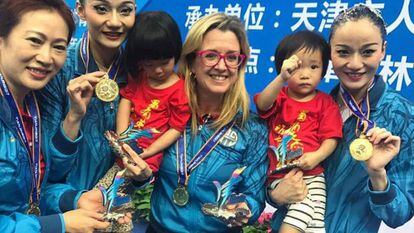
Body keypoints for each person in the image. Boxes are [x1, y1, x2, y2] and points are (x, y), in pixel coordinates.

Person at [268, 4, 413, 233]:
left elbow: (399, 215)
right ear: (330, 53)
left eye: (367, 52)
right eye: (343, 52)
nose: (355, 64)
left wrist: (377, 174)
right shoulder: (312, 106)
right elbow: (274, 167)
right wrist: (275, 194)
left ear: (383, 50)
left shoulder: (402, 117)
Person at [147, 13, 269, 233]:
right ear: (192, 61)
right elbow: (142, 169)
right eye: (211, 55)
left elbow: (255, 197)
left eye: (232, 57)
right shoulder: (164, 111)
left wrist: (244, 208)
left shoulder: (252, 129)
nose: (222, 66)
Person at [0, 0, 114, 232]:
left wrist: (73, 199)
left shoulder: (32, 102)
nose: (46, 57)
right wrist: (56, 224)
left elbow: (35, 187)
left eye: (59, 47)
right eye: (35, 40)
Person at [37, 0, 152, 214]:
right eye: (101, 9)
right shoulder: (58, 67)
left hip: (116, 210)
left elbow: (143, 150)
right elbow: (46, 168)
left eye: (125, 10)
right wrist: (74, 116)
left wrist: (141, 178)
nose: (115, 22)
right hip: (63, 210)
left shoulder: (141, 70)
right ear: (80, 10)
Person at [255, 30, 342, 233]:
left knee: (316, 224)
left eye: (314, 66)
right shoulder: (280, 96)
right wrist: (281, 79)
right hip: (280, 177)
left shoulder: (326, 103)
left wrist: (316, 156)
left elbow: (331, 138)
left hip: (313, 174)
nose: (305, 74)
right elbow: (262, 103)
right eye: (297, 67)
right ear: (283, 68)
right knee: (303, 208)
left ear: (323, 70)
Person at [116, 11, 190, 173]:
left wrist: (150, 151)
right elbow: (125, 101)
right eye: (149, 64)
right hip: (123, 150)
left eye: (165, 63)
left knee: (137, 191)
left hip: (149, 159)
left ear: (176, 54)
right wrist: (122, 139)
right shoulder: (138, 76)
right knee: (105, 192)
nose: (158, 70)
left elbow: (176, 129)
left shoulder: (181, 91)